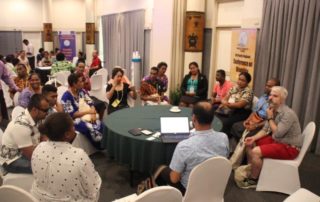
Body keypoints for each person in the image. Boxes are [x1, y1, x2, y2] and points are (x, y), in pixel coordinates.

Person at [155, 102, 229, 194]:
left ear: (193, 118)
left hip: (189, 191)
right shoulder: (224, 138)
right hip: (214, 187)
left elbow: (174, 179)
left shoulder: (184, 146)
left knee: (160, 169)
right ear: (213, 118)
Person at [30, 112, 101, 201]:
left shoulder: (38, 148)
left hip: (38, 198)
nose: (74, 128)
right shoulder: (79, 156)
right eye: (73, 126)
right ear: (67, 134)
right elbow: (93, 189)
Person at [241, 86, 302, 188]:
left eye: (275, 96)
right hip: (279, 141)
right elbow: (265, 130)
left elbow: (277, 133)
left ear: (282, 99)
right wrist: (254, 138)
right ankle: (254, 169)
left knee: (255, 152)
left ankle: (253, 180)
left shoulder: (288, 114)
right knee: (250, 143)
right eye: (270, 95)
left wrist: (269, 117)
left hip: (290, 147)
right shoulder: (273, 109)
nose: (270, 98)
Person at [0, 94, 49, 173]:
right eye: (45, 110)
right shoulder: (21, 126)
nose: (47, 113)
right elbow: (32, 156)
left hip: (25, 152)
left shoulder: (36, 117)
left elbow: (43, 137)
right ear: (35, 110)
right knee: (46, 167)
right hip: (12, 160)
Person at [61, 73, 103, 149]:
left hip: (87, 115)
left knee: (100, 124)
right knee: (89, 127)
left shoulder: (81, 91)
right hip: (74, 120)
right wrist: (89, 112)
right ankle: (100, 146)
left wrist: (93, 113)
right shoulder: (66, 96)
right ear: (74, 83)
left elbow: (90, 102)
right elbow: (72, 114)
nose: (83, 83)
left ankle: (103, 143)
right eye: (80, 81)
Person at [215, 72, 253, 136]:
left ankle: (225, 137)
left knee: (225, 122)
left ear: (247, 82)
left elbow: (239, 105)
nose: (240, 82)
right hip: (230, 108)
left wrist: (226, 104)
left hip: (242, 112)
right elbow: (225, 98)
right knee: (215, 115)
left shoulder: (248, 91)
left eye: (243, 80)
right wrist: (224, 103)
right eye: (239, 79)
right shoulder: (235, 88)